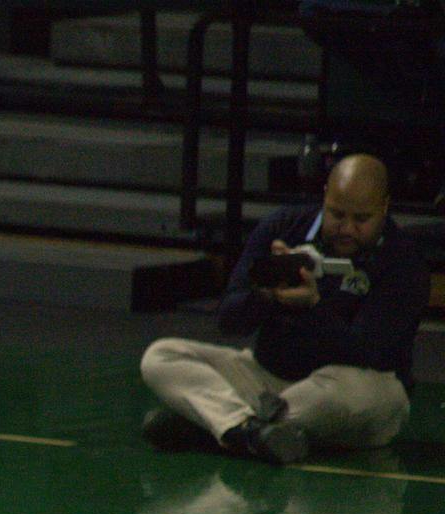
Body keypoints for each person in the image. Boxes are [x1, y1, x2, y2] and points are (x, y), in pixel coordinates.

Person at [139, 153, 424, 464]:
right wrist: (267, 293)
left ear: (384, 207)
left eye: (361, 219)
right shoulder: (283, 226)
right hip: (266, 381)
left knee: (368, 395)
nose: (347, 229)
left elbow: (368, 352)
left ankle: (222, 425)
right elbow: (228, 320)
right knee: (161, 356)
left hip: (342, 388)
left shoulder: (403, 260)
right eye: (337, 214)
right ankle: (252, 432)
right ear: (325, 194)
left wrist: (313, 307)